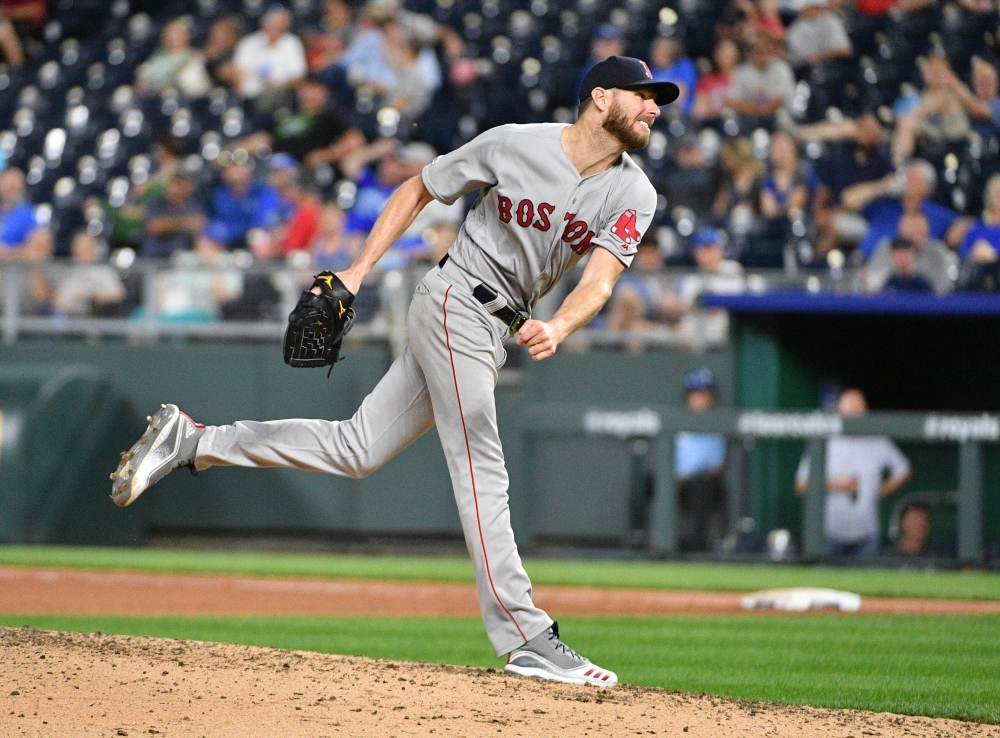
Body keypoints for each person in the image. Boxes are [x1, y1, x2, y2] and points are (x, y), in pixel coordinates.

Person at [111, 55, 679, 688]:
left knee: (356, 448)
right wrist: (355, 273)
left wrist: (562, 324)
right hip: (455, 297)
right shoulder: (515, 143)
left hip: (500, 326)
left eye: (658, 98)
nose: (655, 107)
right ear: (600, 97)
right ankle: (525, 635)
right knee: (481, 462)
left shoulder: (635, 191)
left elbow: (601, 279)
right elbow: (417, 188)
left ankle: (193, 441)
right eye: (643, 95)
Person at [795, 388, 912, 557]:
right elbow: (800, 486)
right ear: (839, 411)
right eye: (850, 409)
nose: (855, 414)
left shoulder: (877, 440)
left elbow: (904, 469)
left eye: (859, 409)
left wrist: (881, 490)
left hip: (867, 534)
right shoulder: (825, 440)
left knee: (867, 583)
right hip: (829, 534)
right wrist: (837, 485)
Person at [841, 159, 962, 259]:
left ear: (926, 187)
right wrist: (882, 186)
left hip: (909, 275)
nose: (905, 181)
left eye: (911, 178)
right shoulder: (885, 205)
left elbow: (966, 226)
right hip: (868, 267)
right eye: (904, 176)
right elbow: (847, 200)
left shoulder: (935, 213)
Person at [238, 75, 365, 170]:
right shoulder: (285, 116)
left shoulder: (330, 117)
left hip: (310, 171)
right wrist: (233, 152)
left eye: (311, 88)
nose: (306, 93)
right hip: (275, 167)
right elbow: (264, 137)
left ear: (323, 92)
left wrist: (326, 155)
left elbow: (355, 140)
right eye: (303, 88)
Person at [675, 368, 727, 552]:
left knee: (702, 487)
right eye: (696, 394)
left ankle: (696, 550)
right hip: (674, 481)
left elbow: (717, 465)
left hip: (699, 483)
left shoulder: (717, 427)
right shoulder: (676, 422)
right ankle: (651, 543)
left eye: (705, 394)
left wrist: (689, 475)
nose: (701, 399)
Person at [232, 5, 307, 103]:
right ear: (265, 23)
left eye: (284, 22)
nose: (280, 26)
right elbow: (237, 74)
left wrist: (276, 86)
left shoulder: (292, 43)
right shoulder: (248, 43)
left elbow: (298, 76)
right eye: (276, 22)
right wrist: (240, 97)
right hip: (248, 96)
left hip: (281, 94)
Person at [865, 210, 953, 294]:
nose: (914, 234)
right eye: (910, 229)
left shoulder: (936, 251)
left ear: (927, 231)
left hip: (928, 305)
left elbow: (944, 289)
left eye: (919, 229)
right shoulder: (887, 247)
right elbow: (873, 284)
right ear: (900, 230)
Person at [208, 156, 285, 250]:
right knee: (211, 234)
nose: (234, 172)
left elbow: (263, 220)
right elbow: (217, 221)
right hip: (228, 239)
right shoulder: (220, 194)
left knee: (258, 236)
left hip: (253, 237)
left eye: (238, 168)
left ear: (248, 171)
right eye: (230, 168)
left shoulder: (261, 190)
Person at [50, 231, 125, 316]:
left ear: (94, 249)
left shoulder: (104, 271)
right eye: (79, 248)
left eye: (86, 248)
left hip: (101, 318)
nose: (82, 252)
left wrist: (93, 297)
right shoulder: (68, 273)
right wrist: (76, 299)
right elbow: (59, 302)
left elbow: (118, 294)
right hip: (73, 320)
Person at [730, 38, 796, 127]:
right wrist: (756, 109)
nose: (763, 57)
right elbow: (735, 100)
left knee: (784, 117)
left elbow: (784, 97)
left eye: (767, 52)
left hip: (778, 115)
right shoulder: (741, 71)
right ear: (750, 54)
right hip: (749, 116)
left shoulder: (782, 68)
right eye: (759, 52)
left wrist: (767, 107)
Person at [141, 171, 208, 258]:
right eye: (175, 184)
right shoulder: (156, 203)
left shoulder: (193, 206)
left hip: (180, 258)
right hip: (154, 256)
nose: (177, 189)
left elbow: (199, 225)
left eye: (181, 185)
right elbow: (154, 227)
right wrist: (185, 223)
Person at [784, 0, 852, 70]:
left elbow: (845, 50)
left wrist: (821, 55)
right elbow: (796, 58)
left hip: (836, 65)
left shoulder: (830, 20)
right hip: (807, 69)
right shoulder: (796, 28)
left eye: (817, 7)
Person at [692, 37, 740, 121]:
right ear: (715, 54)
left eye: (728, 52)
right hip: (713, 123)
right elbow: (698, 109)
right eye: (721, 51)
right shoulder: (707, 78)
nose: (725, 55)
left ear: (736, 55)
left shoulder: (743, 77)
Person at [648, 36, 697, 117]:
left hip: (683, 116)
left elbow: (678, 94)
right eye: (654, 49)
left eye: (660, 49)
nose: (655, 52)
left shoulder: (683, 65)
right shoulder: (650, 70)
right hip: (657, 117)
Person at [0, 166, 37, 257]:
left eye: (14, 185)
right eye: (7, 184)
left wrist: (6, 252)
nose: (10, 188)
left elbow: (37, 248)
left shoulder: (28, 213)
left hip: (17, 267)